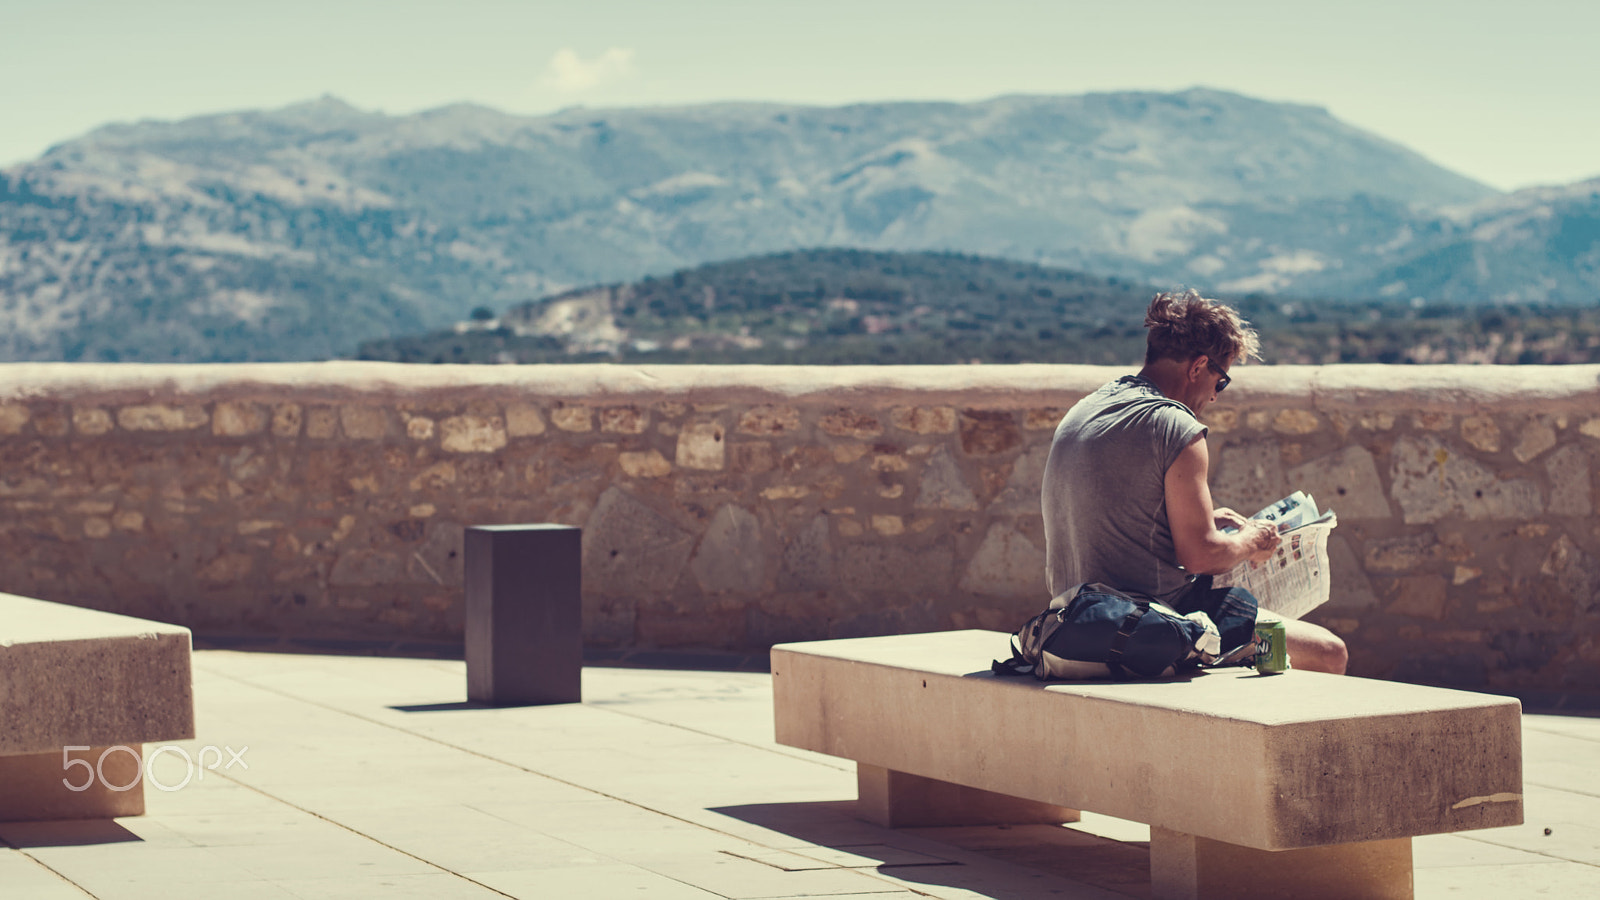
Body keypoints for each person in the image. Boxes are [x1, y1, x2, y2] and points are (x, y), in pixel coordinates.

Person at [1041, 289, 1348, 674]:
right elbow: (1200, 556)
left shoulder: (1087, 408)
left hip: (1072, 618)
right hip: (1146, 625)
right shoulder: (1177, 426)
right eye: (1221, 382)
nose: (1216, 397)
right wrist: (1251, 541)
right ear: (1198, 366)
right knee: (1329, 653)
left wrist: (1193, 521)